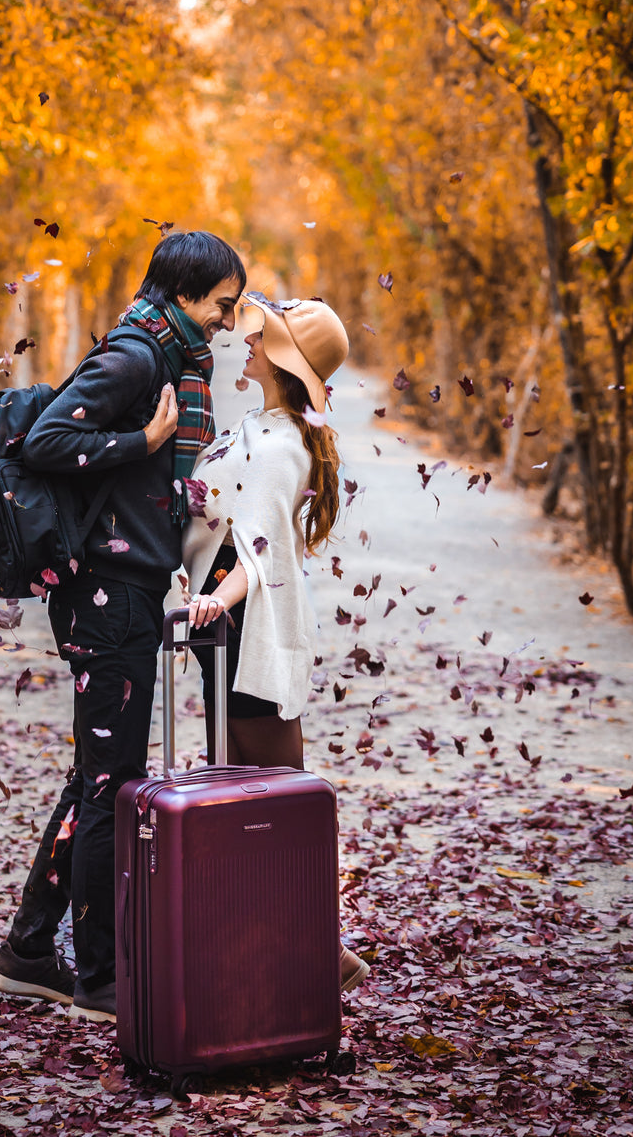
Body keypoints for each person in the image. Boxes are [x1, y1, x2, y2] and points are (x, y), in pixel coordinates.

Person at [0, 229, 245, 1023]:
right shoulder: (138, 354)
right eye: (223, 306)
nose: (228, 322)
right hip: (108, 594)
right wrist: (145, 440)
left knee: (98, 777)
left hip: (126, 586)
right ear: (189, 293)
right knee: (111, 788)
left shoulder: (165, 355)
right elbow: (47, 439)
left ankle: (28, 949)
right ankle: (97, 978)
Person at [181, 292, 369, 994]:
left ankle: (325, 954)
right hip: (229, 635)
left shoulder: (283, 444)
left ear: (287, 364)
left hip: (249, 637)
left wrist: (211, 600)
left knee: (279, 802)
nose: (249, 342)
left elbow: (260, 551)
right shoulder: (266, 426)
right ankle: (274, 947)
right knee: (244, 799)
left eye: (263, 338)